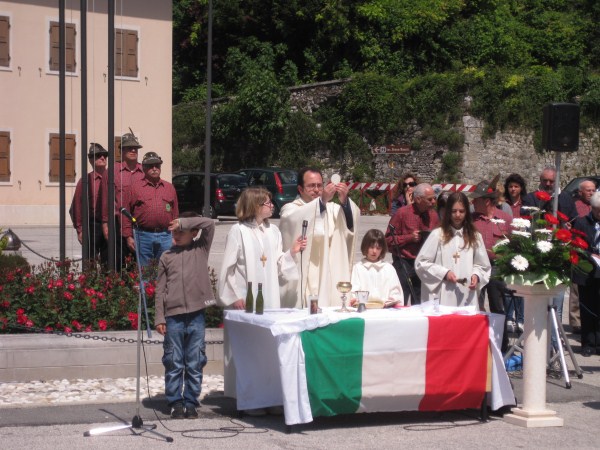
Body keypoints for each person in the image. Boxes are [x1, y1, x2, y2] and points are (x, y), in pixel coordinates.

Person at [155, 212, 216, 419]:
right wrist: (159, 317)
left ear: (194, 232)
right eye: (175, 231)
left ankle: (191, 401)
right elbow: (160, 290)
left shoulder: (201, 249)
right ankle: (175, 402)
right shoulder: (166, 256)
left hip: (196, 315)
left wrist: (183, 222)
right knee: (173, 360)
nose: (177, 235)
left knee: (195, 360)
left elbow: (209, 224)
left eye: (182, 231)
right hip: (173, 317)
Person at [279, 168, 360, 308]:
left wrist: (345, 202)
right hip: (304, 273)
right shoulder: (290, 209)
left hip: (327, 272)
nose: (316, 190)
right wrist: (321, 202)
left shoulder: (332, 208)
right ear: (300, 189)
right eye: (311, 186)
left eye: (319, 185)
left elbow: (350, 223)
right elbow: (292, 220)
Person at [218, 187, 306, 310]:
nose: (272, 205)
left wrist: (292, 251)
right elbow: (228, 268)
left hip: (270, 294)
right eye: (268, 203)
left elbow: (278, 264)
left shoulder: (273, 231)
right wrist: (234, 296)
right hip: (243, 297)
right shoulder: (238, 231)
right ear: (255, 206)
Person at [522, 166, 577, 346]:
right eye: (544, 180)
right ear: (540, 180)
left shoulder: (566, 199)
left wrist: (569, 227)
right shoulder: (531, 198)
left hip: (557, 255)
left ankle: (554, 343)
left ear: (556, 181)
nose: (547, 184)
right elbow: (524, 219)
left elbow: (573, 220)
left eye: (551, 181)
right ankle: (534, 343)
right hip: (536, 255)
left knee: (556, 303)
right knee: (536, 302)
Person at [415, 192, 490, 308]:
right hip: (444, 293)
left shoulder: (475, 236)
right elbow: (421, 263)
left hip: (467, 295)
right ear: (448, 212)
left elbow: (483, 265)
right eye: (454, 211)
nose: (457, 215)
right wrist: (444, 273)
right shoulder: (437, 235)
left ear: (467, 212)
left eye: (461, 211)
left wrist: (476, 275)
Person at [471, 175, 512, 351]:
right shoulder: (470, 220)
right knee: (475, 306)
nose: (473, 203)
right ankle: (477, 344)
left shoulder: (505, 219)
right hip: (476, 267)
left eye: (476, 200)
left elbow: (513, 245)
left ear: (487, 201)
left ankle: (501, 345)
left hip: (497, 267)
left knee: (498, 307)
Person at [122, 151, 178, 269]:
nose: (154, 168)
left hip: (166, 235)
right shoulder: (134, 187)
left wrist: (175, 236)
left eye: (157, 165)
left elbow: (175, 213)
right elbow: (125, 213)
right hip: (143, 236)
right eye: (150, 166)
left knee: (165, 270)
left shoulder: (169, 187)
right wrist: (128, 236)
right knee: (145, 271)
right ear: (144, 168)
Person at [386, 183, 439, 305]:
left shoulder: (434, 216)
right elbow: (388, 240)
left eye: (434, 198)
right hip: (404, 262)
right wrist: (409, 238)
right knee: (401, 299)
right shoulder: (402, 213)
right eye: (430, 199)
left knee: (421, 302)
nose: (433, 202)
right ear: (418, 199)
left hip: (424, 264)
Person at [102, 130, 145, 270]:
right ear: (122, 151)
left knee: (138, 261)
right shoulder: (112, 171)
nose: (133, 150)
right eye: (129, 148)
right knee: (118, 261)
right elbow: (106, 200)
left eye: (135, 148)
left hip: (139, 222)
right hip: (117, 222)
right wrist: (105, 223)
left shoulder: (144, 171)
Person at [69, 143, 109, 266]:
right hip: (92, 225)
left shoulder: (113, 179)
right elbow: (76, 207)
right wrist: (80, 230)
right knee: (90, 263)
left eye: (105, 155)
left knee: (109, 263)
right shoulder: (85, 181)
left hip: (110, 225)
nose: (102, 157)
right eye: (98, 155)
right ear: (91, 159)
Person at [572, 191, 600, 357]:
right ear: (592, 208)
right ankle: (588, 343)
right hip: (587, 271)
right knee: (587, 308)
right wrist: (590, 255)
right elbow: (576, 245)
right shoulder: (582, 222)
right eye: (598, 211)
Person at [569, 179, 596, 333]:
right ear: (580, 192)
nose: (591, 193)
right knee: (576, 292)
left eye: (593, 190)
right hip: (580, 252)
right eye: (588, 190)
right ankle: (576, 322)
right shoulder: (575, 206)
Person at [350, 229, 403, 307]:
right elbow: (354, 291)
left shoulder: (388, 268)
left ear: (382, 249)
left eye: (378, 248)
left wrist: (391, 300)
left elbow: (396, 292)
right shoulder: (358, 268)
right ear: (365, 247)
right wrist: (355, 299)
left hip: (385, 310)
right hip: (365, 309)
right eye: (371, 247)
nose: (374, 251)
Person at [503, 173, 527, 332]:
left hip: (522, 246)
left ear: (521, 188)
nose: (513, 189)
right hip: (507, 245)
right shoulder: (503, 204)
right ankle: (509, 317)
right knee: (507, 284)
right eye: (510, 186)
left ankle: (520, 318)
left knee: (521, 284)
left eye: (516, 186)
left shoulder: (525, 204)